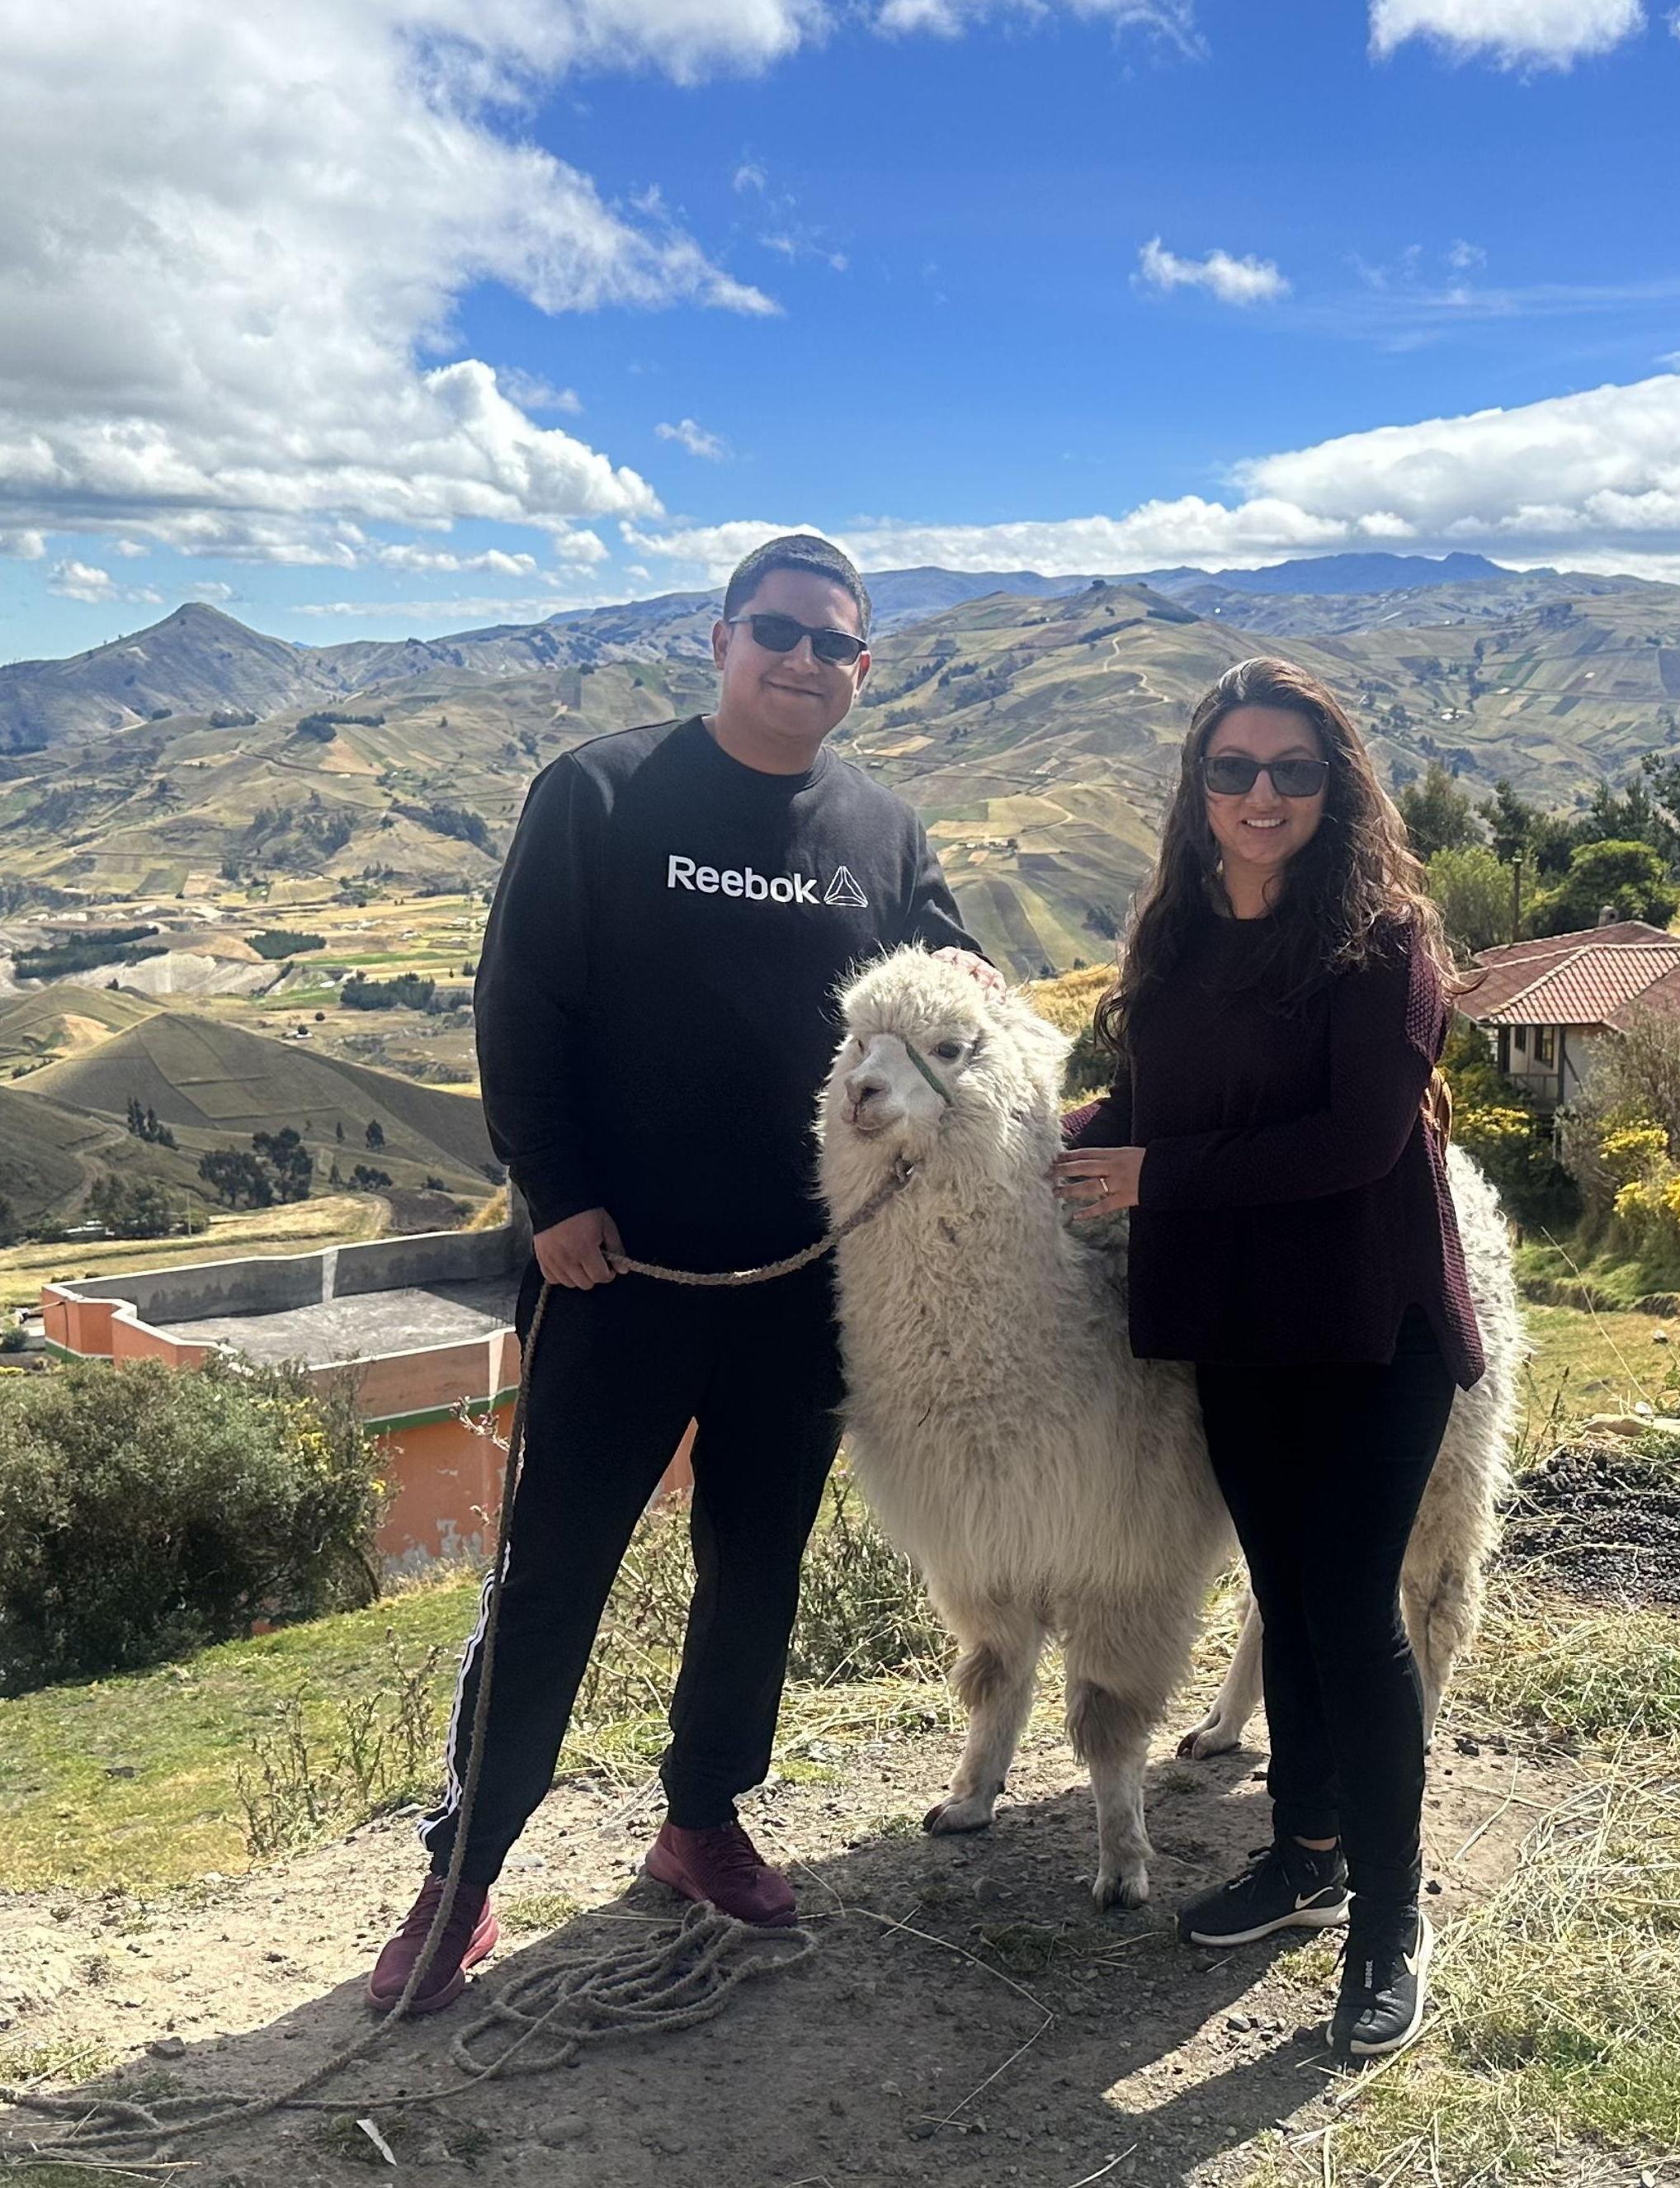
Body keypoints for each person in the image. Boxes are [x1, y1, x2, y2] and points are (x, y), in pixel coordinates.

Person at [370, 532, 994, 2013]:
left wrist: (982, 994)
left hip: (799, 1285)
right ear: (720, 641)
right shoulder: (598, 793)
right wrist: (556, 1194)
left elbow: (951, 982)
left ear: (863, 669)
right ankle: (465, 1873)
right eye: (774, 630)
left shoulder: (883, 832)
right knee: (552, 1574)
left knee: (757, 1566)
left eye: (831, 642)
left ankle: (701, 1820)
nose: (801, 659)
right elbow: (520, 1002)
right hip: (614, 1272)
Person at [1052, 656, 1484, 2061]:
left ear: (1335, 787)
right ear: (1198, 786)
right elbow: (1148, 1101)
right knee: (1288, 1598)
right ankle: (1308, 1853)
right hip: (1241, 1323)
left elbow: (1356, 1142)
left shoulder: (1385, 943)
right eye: (1232, 768)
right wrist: (1015, 1128)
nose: (1261, 795)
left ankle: (1391, 1918)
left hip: (1368, 1322)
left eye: (1293, 770)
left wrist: (1155, 1176)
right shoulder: (1177, 939)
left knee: (1350, 1604)